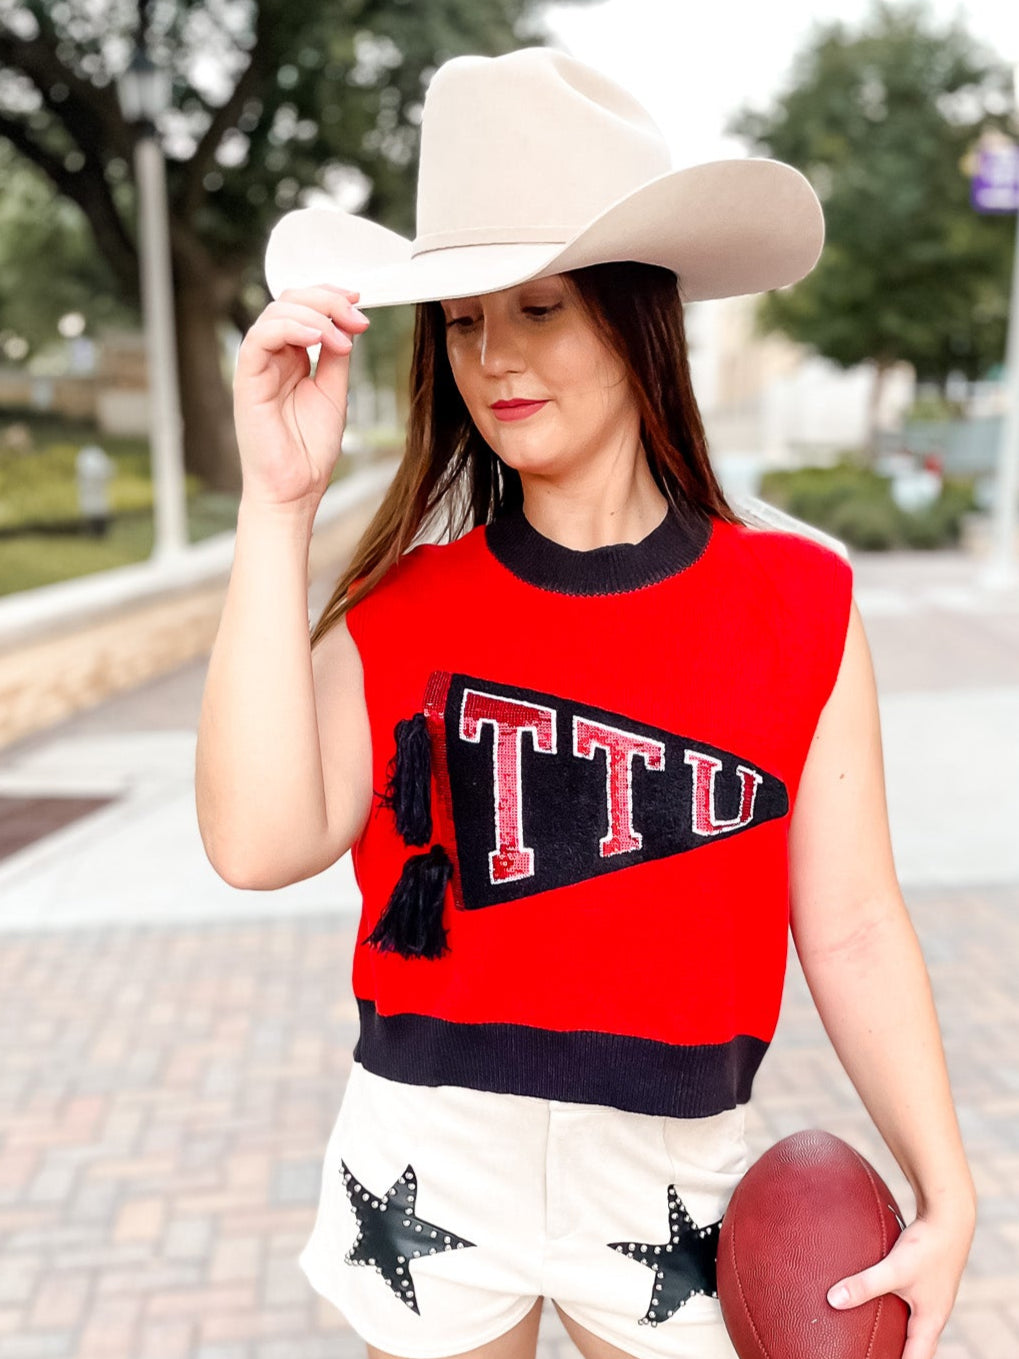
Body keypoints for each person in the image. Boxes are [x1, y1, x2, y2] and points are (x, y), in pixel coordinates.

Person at [196, 46, 976, 1359]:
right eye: (460, 319)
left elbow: (847, 927)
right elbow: (255, 841)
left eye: (542, 306)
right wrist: (276, 505)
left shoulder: (796, 602)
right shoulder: (404, 607)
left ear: (638, 312)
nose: (493, 353)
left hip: (671, 1174)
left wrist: (945, 1185)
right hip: (428, 1161)